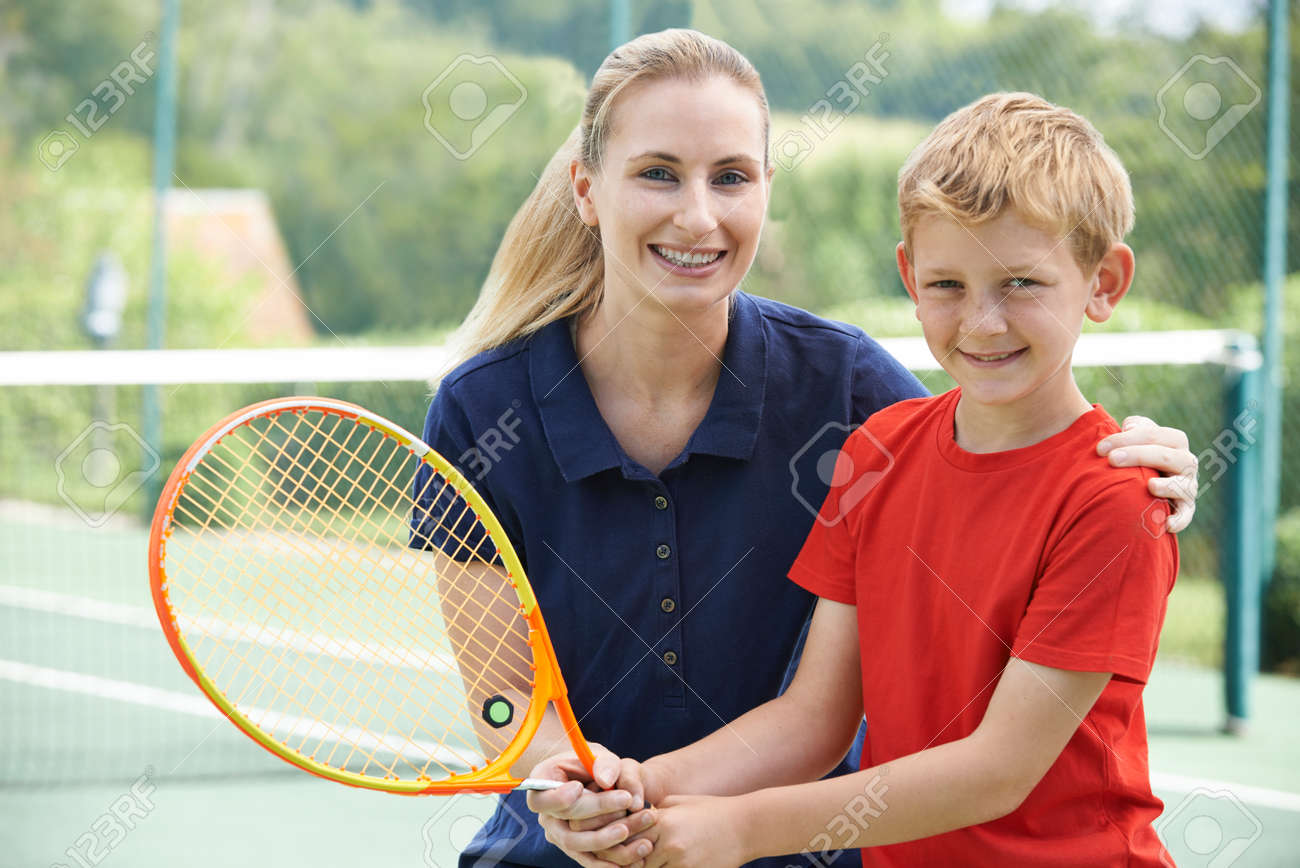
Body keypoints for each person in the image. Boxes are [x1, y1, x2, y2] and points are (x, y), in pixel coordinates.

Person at [415, 30, 1198, 868]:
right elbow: (504, 702)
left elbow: (1009, 441)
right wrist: (573, 789)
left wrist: (1158, 465)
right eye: (656, 172)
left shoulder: (855, 394)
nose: (697, 214)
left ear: (764, 189)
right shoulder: (481, 409)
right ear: (586, 190)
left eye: (730, 177)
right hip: (582, 840)